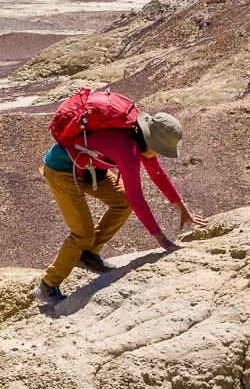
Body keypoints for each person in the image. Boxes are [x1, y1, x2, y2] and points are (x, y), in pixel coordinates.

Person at [40, 89, 194, 300]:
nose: (159, 155)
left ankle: (89, 255)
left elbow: (158, 175)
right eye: (160, 150)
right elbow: (137, 198)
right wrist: (162, 240)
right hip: (62, 171)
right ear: (152, 141)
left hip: (89, 170)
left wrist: (183, 209)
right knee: (82, 233)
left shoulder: (139, 138)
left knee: (121, 202)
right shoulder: (127, 149)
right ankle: (48, 286)